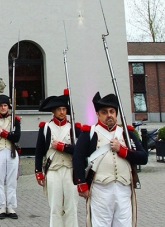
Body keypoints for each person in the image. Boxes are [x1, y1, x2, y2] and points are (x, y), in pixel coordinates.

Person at [73, 92, 148, 227]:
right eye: (104, 112)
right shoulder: (89, 133)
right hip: (100, 189)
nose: (109, 115)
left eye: (112, 111)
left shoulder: (126, 133)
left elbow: (143, 157)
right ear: (98, 114)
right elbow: (77, 159)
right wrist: (82, 184)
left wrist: (123, 150)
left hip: (124, 188)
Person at [34, 92, 80, 227]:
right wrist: (38, 172)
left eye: (64, 109)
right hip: (53, 170)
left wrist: (63, 147)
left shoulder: (74, 128)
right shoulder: (46, 128)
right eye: (59, 109)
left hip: (70, 171)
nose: (62, 112)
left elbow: (79, 151)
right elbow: (39, 151)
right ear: (53, 111)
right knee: (55, 208)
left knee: (71, 208)